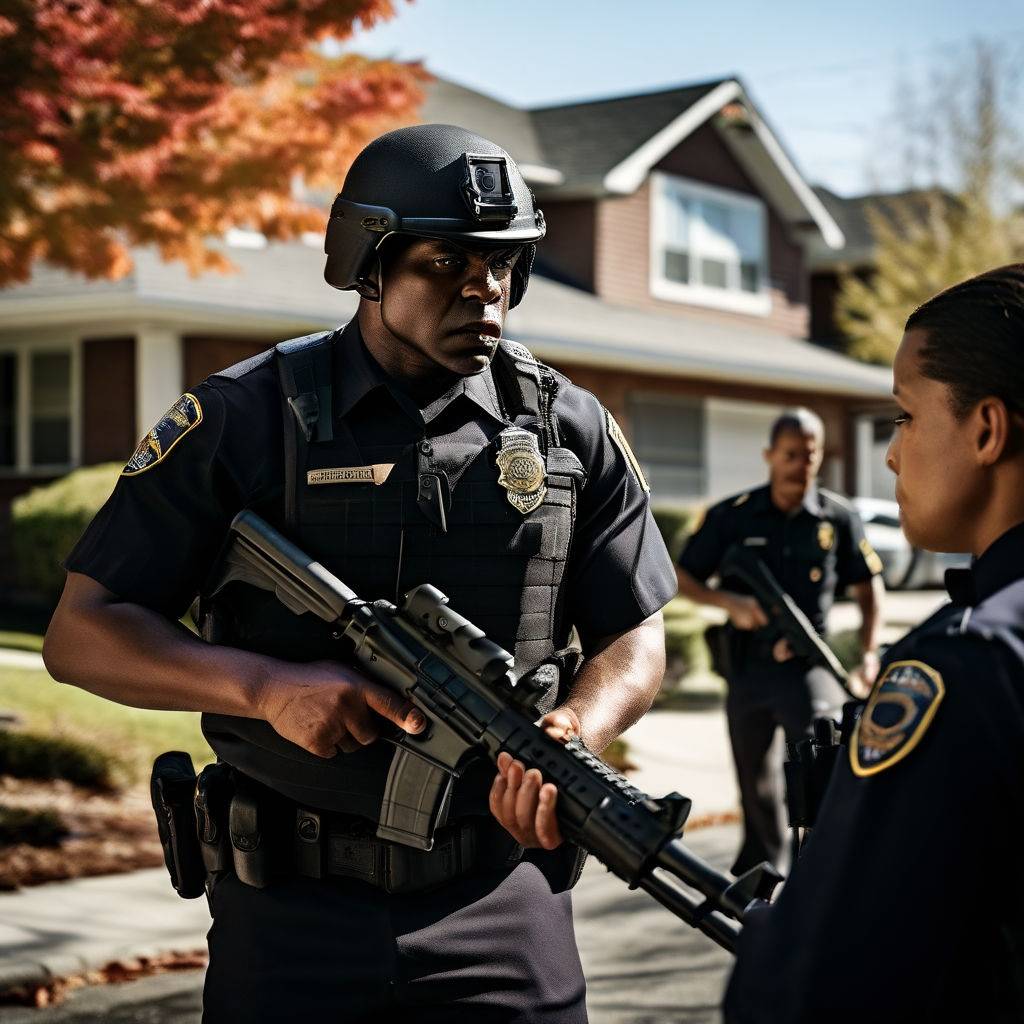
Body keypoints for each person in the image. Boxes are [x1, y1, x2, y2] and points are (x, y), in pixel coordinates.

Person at [42, 125, 678, 1023]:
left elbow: (635, 632)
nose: (483, 290)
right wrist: (263, 686)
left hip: (502, 899)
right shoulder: (245, 418)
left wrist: (580, 727)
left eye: (503, 263)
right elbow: (84, 630)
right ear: (368, 264)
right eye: (446, 262)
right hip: (289, 904)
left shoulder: (569, 431)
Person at [724, 263, 1024, 1023]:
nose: (892, 454)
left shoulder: (966, 667)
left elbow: (822, 989)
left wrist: (776, 945)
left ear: (986, 429)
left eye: (904, 417)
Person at [675, 410, 884, 874]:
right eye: (790, 454)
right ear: (770, 455)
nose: (799, 465)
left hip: (809, 668)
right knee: (755, 781)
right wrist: (728, 602)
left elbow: (871, 590)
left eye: (809, 455)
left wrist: (868, 654)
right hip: (747, 669)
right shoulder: (734, 515)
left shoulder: (838, 517)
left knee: (816, 768)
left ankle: (820, 870)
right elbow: (680, 574)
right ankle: (762, 874)